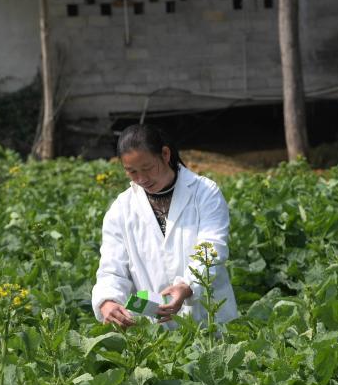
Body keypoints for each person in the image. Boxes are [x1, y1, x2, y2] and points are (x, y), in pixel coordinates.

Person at [92, 124, 238, 329]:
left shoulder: (204, 192)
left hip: (209, 320)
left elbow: (212, 247)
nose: (142, 179)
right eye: (132, 171)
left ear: (165, 154)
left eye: (148, 168)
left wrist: (187, 286)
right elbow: (111, 269)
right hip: (154, 329)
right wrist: (107, 301)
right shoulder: (121, 209)